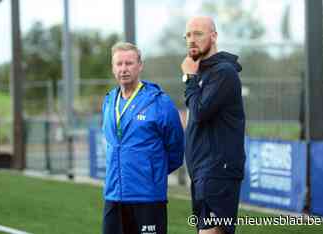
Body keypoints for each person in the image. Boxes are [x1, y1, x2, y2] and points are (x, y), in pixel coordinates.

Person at [102, 42, 184, 234]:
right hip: (114, 195)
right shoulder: (108, 101)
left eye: (129, 63)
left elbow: (176, 148)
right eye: (119, 64)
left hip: (147, 197)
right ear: (113, 68)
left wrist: (151, 172)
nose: (124, 69)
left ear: (140, 65)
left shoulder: (159, 102)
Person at [181, 16, 246, 234]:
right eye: (188, 35)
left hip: (217, 171)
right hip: (203, 172)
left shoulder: (223, 72)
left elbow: (199, 112)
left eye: (198, 34)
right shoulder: (204, 72)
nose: (191, 40)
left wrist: (189, 78)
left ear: (214, 36)